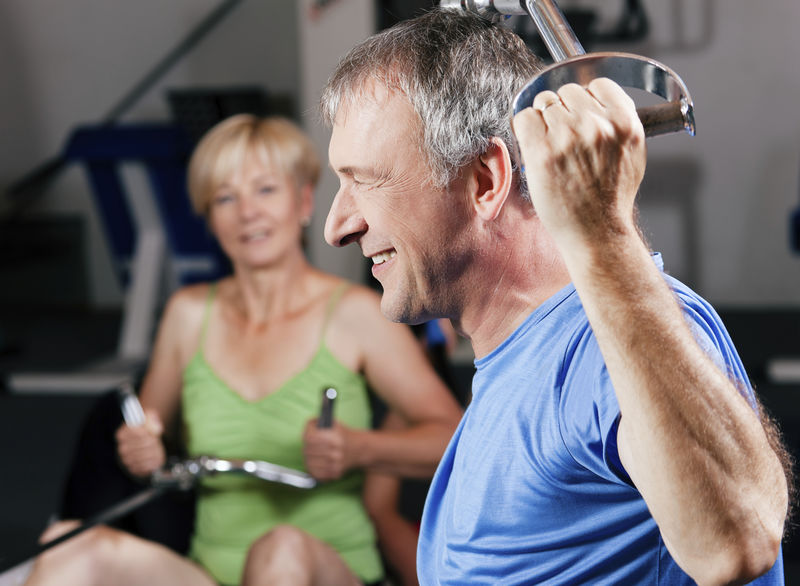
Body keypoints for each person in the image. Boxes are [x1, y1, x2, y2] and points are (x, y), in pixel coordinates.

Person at [321, 8, 792, 585]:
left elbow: (738, 539)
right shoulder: (515, 363)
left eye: (364, 181)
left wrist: (601, 228)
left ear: (485, 182)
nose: (337, 225)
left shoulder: (597, 346)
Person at [23, 114, 462, 586]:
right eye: (225, 198)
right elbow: (146, 441)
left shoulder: (355, 314)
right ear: (209, 219)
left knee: (281, 548)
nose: (247, 211)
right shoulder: (187, 315)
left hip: (323, 569)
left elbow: (456, 438)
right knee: (68, 545)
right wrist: (142, 450)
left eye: (265, 190)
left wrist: (360, 448)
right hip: (211, 574)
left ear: (304, 201)